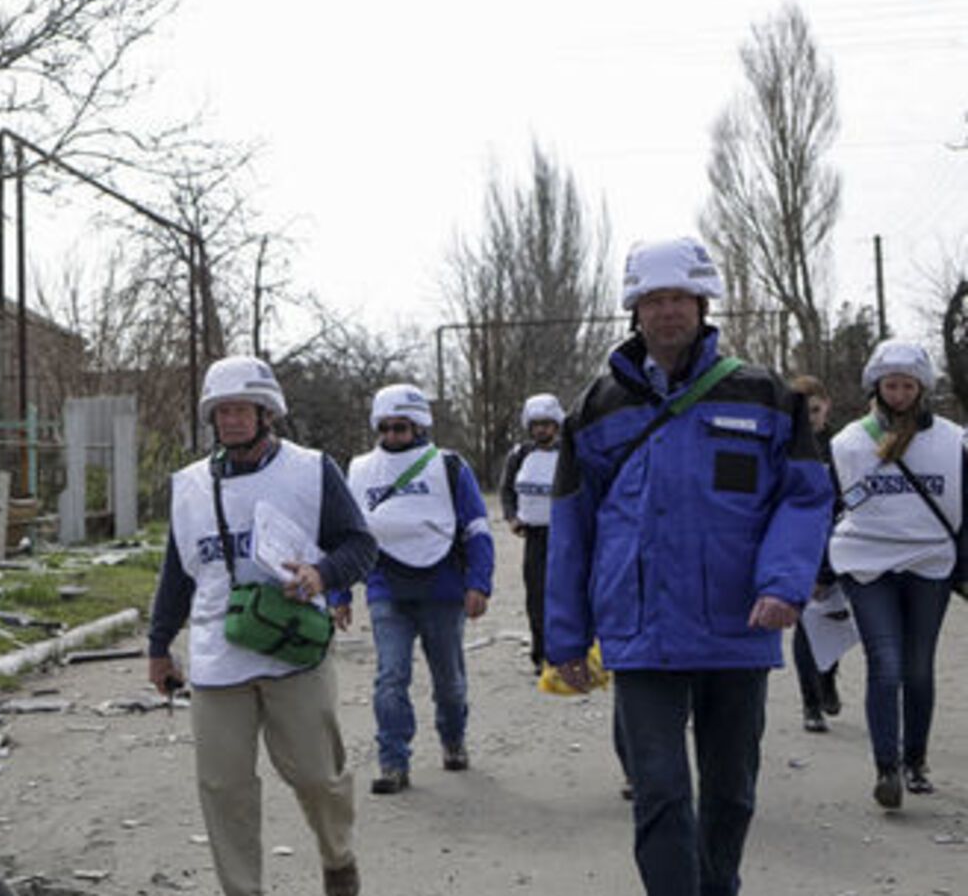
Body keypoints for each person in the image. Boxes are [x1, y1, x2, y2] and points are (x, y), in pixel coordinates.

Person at [548, 236, 831, 896]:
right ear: (634, 311)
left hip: (738, 626)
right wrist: (565, 637)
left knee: (731, 794)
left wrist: (785, 583)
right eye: (653, 300)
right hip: (640, 633)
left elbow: (806, 496)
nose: (667, 311)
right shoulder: (594, 409)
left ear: (703, 304)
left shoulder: (766, 396)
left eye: (679, 298)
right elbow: (570, 529)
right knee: (661, 793)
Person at [147, 355, 378, 896]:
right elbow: (176, 574)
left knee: (318, 776)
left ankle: (338, 859)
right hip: (216, 654)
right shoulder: (189, 486)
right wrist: (159, 645)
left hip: (293, 648)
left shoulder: (311, 469)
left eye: (241, 409)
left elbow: (360, 544)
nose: (230, 420)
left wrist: (322, 575)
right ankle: (242, 889)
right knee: (223, 787)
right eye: (221, 411)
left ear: (266, 413)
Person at [824, 340, 968, 809]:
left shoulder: (953, 440)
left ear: (922, 388)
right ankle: (886, 768)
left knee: (918, 666)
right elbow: (829, 507)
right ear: (878, 387)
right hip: (867, 566)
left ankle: (916, 761)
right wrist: (821, 570)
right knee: (885, 665)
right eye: (892, 385)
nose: (900, 393)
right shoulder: (848, 443)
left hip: (931, 564)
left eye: (908, 385)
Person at [347, 383, 494, 794]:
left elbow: (477, 527)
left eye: (402, 428)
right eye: (387, 428)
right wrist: (339, 594)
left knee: (449, 682)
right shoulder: (359, 470)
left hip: (443, 589)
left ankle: (453, 738)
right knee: (390, 677)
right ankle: (393, 763)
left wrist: (479, 582)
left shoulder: (448, 466)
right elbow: (345, 535)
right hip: (386, 588)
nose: (393, 436)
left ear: (420, 426)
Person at [790, 374, 844, 733]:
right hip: (798, 547)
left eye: (814, 409)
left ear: (826, 405)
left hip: (841, 544)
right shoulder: (784, 445)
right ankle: (810, 703)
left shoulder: (843, 447)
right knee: (805, 626)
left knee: (835, 620)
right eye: (801, 410)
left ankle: (827, 676)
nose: (810, 416)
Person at [501, 392, 565, 674]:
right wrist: (512, 517)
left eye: (547, 424)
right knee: (536, 596)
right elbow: (506, 489)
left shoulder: (569, 452)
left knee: (566, 593)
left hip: (565, 536)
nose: (541, 429)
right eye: (536, 424)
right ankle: (541, 654)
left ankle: (569, 651)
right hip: (534, 537)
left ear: (556, 425)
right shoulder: (520, 455)